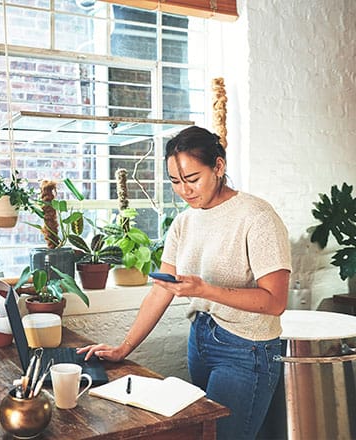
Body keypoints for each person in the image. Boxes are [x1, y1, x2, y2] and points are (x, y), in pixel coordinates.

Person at [77, 126, 291, 440]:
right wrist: (124, 347)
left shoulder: (256, 216)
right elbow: (161, 289)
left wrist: (204, 290)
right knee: (201, 432)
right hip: (201, 341)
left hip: (247, 349)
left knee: (222, 436)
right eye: (175, 182)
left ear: (219, 167)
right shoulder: (185, 221)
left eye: (192, 179)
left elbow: (275, 302)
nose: (184, 190)